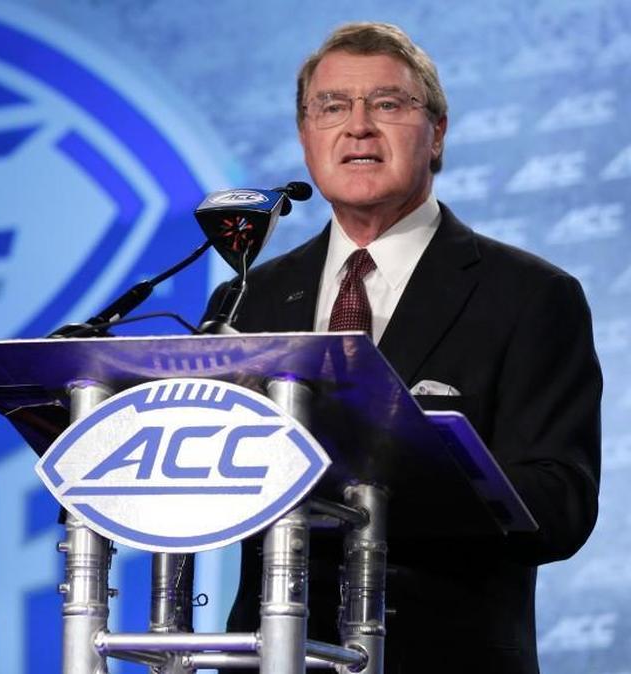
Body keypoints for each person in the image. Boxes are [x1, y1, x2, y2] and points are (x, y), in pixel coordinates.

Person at [203, 22, 602, 674]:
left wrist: (392, 477)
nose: (358, 127)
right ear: (306, 137)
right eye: (332, 107)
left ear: (436, 133)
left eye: (387, 104)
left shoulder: (531, 296)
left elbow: (561, 506)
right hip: (270, 656)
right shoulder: (246, 300)